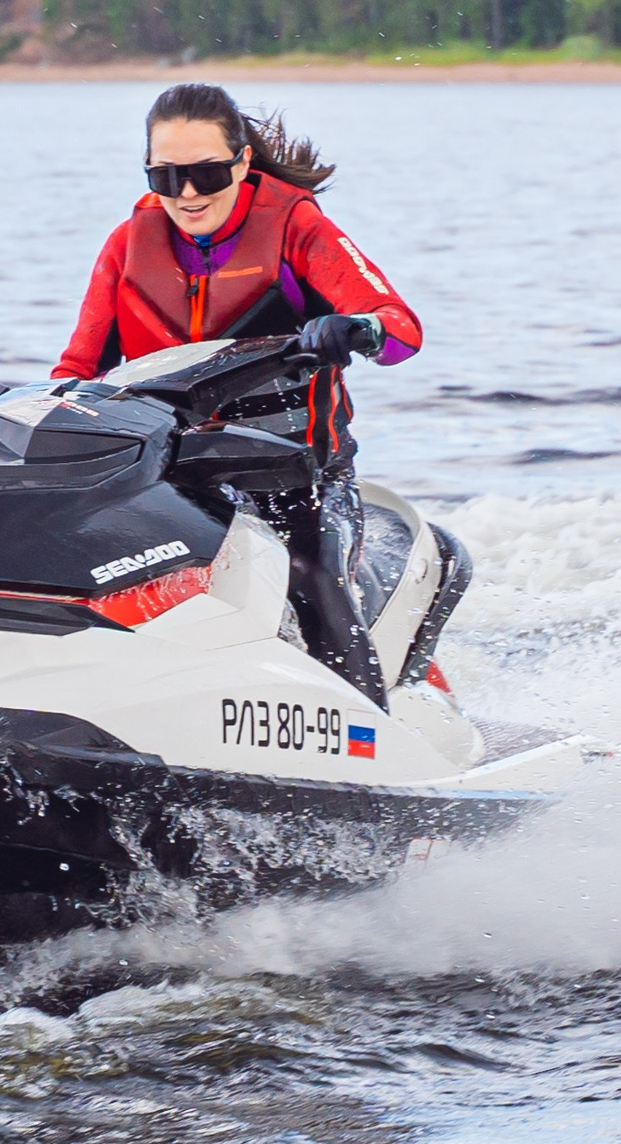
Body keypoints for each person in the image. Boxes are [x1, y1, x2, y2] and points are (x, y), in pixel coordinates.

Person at [54, 83, 421, 706]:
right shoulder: (127, 245)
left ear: (243, 163)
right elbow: (78, 368)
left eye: (206, 173)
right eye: (168, 177)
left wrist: (356, 328)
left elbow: (402, 332)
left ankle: (371, 745)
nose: (188, 194)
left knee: (306, 576)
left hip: (298, 478)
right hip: (171, 480)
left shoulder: (297, 228)